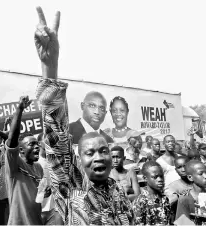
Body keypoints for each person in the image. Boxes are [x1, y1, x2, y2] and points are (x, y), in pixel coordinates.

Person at [34, 7, 134, 224]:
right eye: (90, 153)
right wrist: (49, 68)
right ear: (79, 160)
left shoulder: (117, 190)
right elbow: (57, 137)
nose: (98, 157)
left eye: (103, 151)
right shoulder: (72, 189)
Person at [4, 96, 44, 225]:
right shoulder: (14, 164)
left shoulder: (39, 168)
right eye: (31, 144)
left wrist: (46, 193)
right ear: (20, 150)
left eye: (37, 144)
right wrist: (20, 109)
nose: (36, 146)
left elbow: (39, 196)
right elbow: (12, 139)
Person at [36, 133, 64, 225]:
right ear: (40, 143)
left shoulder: (56, 162)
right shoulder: (35, 163)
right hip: (38, 210)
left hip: (54, 209)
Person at [132, 161, 171, 225]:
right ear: (145, 178)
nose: (160, 179)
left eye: (161, 176)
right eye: (155, 177)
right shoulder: (140, 202)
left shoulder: (164, 199)